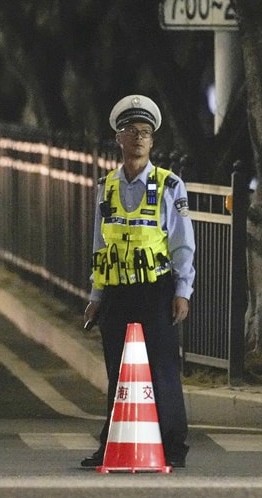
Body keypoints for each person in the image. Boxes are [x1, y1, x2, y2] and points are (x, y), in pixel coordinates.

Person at [80, 95, 196, 469]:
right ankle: (112, 443)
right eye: (132, 131)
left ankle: (173, 445)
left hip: (155, 290)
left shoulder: (169, 185)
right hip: (116, 291)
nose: (139, 138)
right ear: (119, 138)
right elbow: (100, 243)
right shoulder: (107, 185)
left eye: (145, 133)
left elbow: (182, 243)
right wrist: (96, 295)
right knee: (117, 371)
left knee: (162, 368)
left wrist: (182, 291)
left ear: (152, 141)